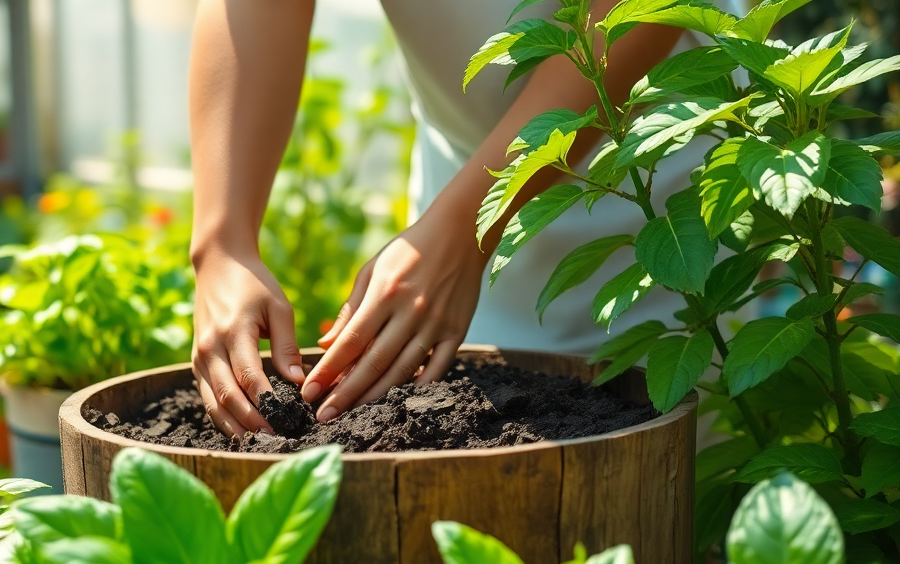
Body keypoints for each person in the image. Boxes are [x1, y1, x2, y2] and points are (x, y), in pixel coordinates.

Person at [188, 0, 711, 437]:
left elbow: (640, 11)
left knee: (677, 481)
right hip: (460, 185)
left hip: (658, 171)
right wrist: (222, 243)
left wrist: (467, 227)